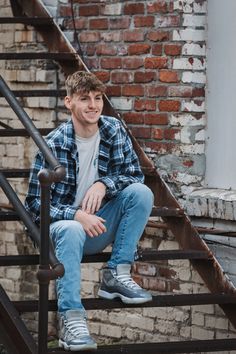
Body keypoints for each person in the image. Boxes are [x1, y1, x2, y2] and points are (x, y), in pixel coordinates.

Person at [25, 71, 154, 351]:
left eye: (98, 98)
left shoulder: (113, 130)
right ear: (68, 102)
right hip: (60, 235)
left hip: (98, 228)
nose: (94, 105)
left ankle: (115, 274)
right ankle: (71, 320)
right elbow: (35, 206)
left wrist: (103, 184)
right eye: (85, 99)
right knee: (71, 229)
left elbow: (135, 175)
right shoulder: (55, 143)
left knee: (141, 193)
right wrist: (75, 215)